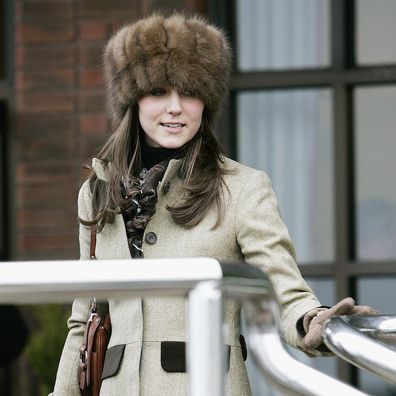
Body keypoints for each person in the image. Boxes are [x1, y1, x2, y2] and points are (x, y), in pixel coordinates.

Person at [51, 13, 377, 395]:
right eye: (158, 92)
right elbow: (83, 322)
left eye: (189, 93)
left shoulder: (242, 188)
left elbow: (282, 287)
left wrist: (313, 322)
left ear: (206, 102)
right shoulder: (97, 192)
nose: (175, 108)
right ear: (133, 101)